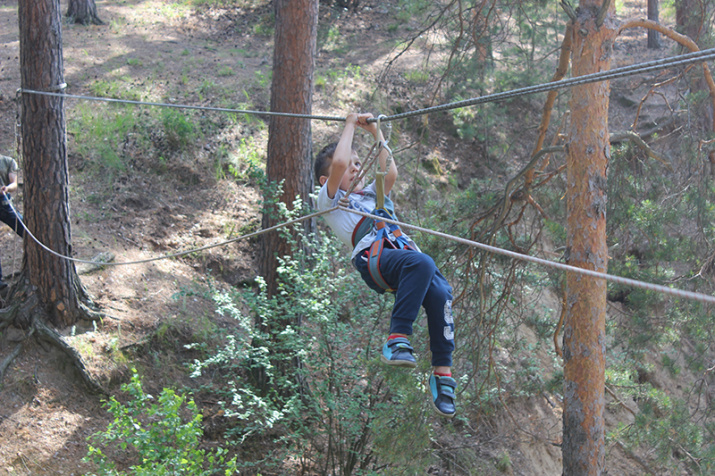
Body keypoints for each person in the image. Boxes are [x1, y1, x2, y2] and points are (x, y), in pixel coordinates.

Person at [314, 113, 457, 418]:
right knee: (422, 264)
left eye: (357, 162)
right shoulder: (330, 201)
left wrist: (377, 131)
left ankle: (442, 375)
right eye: (350, 164)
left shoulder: (372, 193)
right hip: (374, 257)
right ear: (326, 181)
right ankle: (397, 339)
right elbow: (338, 165)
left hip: (403, 253)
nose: (355, 167)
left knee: (442, 294)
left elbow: (389, 172)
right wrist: (351, 125)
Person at [0, 155, 24, 290]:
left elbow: (14, 184)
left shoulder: (8, 161)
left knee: (26, 230)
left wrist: (7, 189)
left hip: (4, 203)